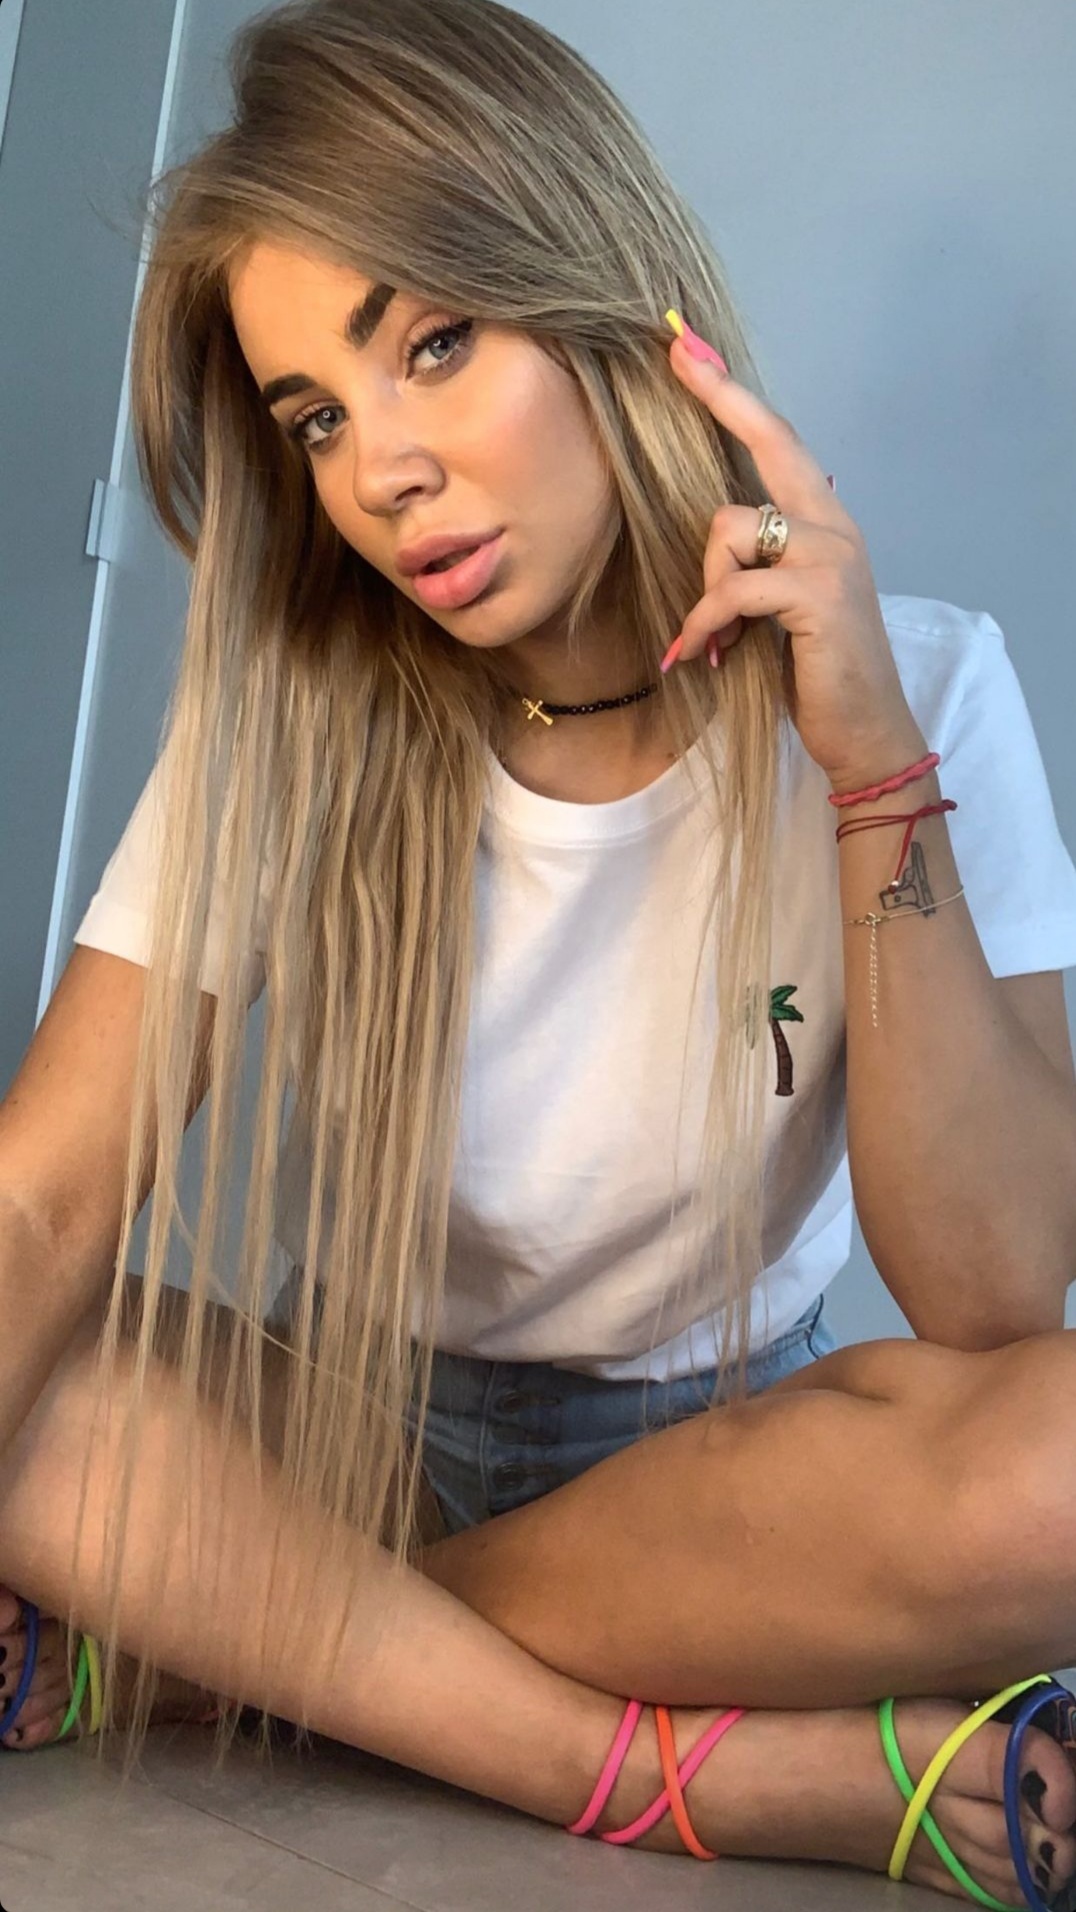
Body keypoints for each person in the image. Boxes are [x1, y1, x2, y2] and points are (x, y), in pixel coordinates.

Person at [1, 0, 1075, 1901]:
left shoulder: (932, 682)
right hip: (348, 1422)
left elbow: (995, 1298)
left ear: (612, 303)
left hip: (716, 1481)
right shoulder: (292, 723)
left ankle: (241, 1648)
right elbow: (45, 1203)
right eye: (318, 418)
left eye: (434, 344)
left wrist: (871, 772)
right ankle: (657, 1767)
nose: (382, 472)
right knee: (41, 1385)